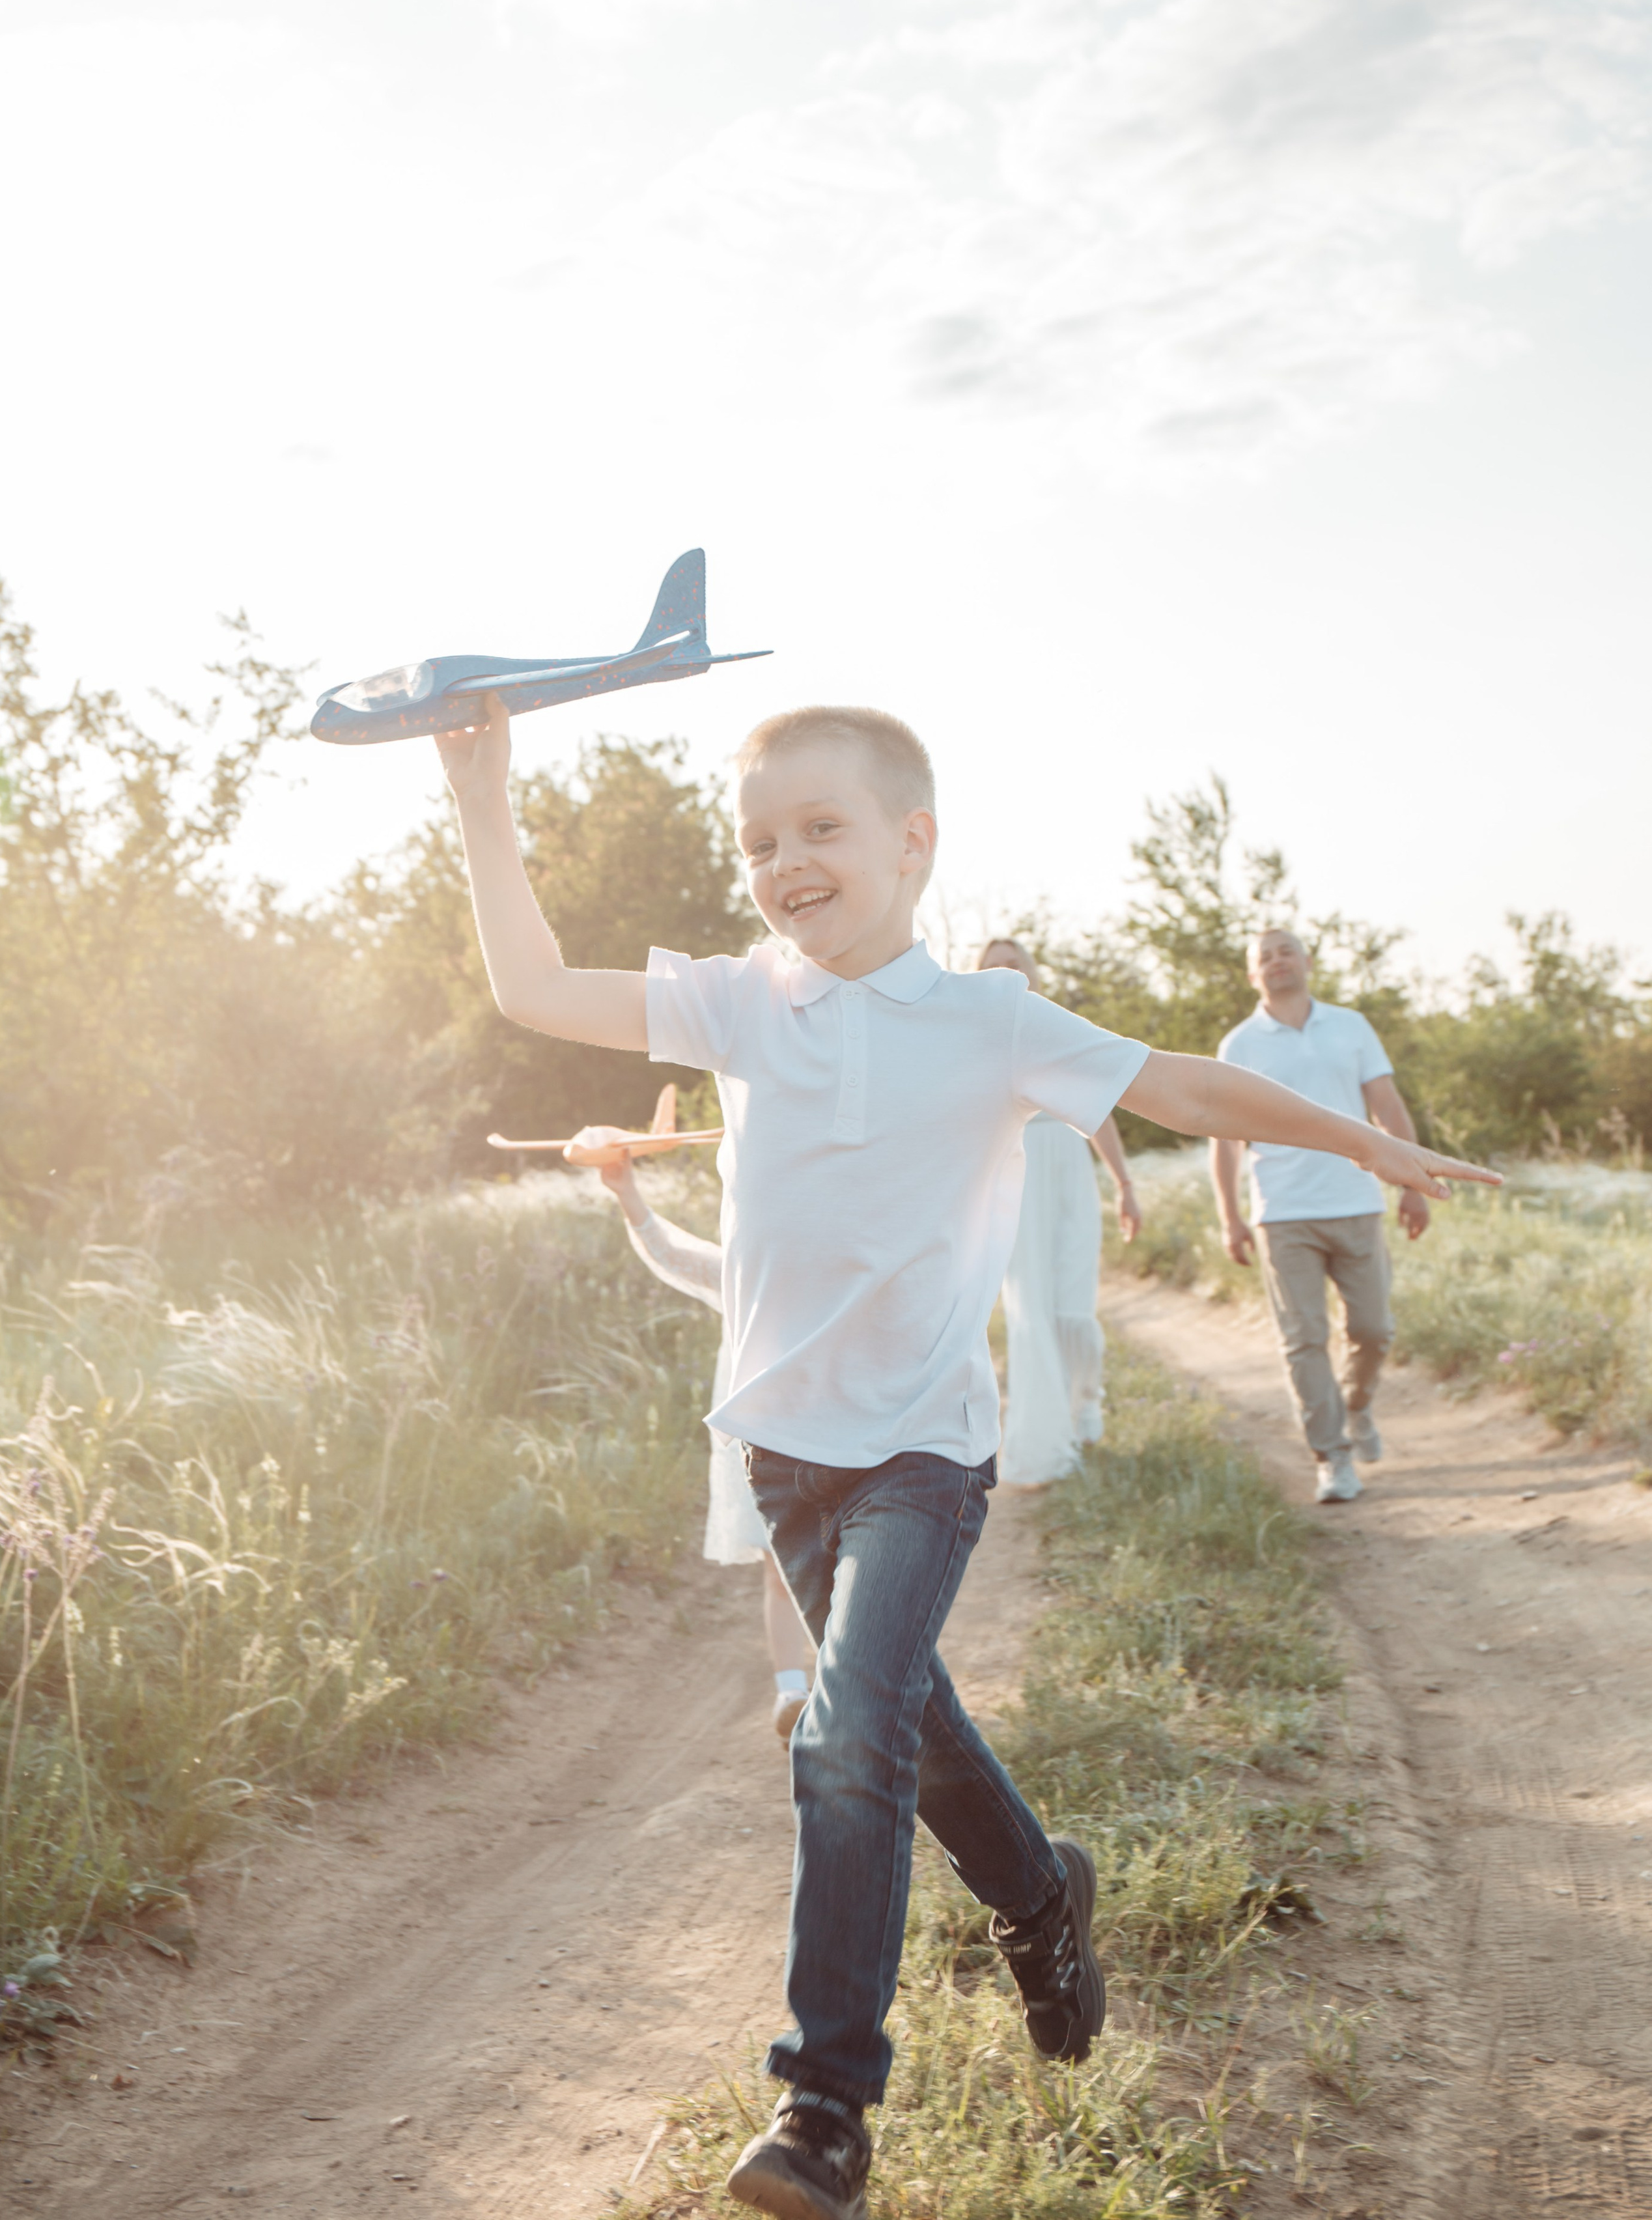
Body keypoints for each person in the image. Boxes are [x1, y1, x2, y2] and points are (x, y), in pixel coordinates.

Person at [432, 696, 1494, 2220]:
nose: (783, 863)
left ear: (912, 842)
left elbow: (1181, 1087)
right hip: (785, 1457)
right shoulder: (741, 1003)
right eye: (757, 840)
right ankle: (1039, 1895)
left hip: (922, 1450)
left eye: (819, 830)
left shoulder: (989, 1022)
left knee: (845, 1722)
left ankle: (823, 2107)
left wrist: (1371, 1143)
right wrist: (482, 796)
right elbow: (530, 985)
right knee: (909, 1732)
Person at [571, 1126, 813, 1741]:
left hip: (831, 1434)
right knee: (780, 1568)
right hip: (765, 1443)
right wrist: (627, 1190)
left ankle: (859, 1689)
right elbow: (670, 1252)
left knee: (844, 1574)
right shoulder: (735, 1272)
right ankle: (793, 1694)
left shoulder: (830, 1266)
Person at [1211, 927, 1432, 1508]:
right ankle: (1332, 1455)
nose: (1277, 961)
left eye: (1286, 951)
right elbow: (1225, 1141)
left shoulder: (1351, 1026)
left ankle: (1356, 1407)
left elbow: (1387, 1106)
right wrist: (1230, 1217)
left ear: (1306, 962)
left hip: (1358, 1201)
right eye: (1264, 956)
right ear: (1252, 974)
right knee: (1303, 1338)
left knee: (1374, 1330)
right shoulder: (1240, 1045)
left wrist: (1414, 1184)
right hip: (1284, 1212)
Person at [975, 938, 1141, 1482]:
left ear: (1033, 971)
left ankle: (1085, 1401)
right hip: (1014, 1174)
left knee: (1074, 1303)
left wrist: (1123, 1182)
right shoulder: (973, 1039)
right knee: (1030, 1309)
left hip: (1069, 1168)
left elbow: (1101, 1113)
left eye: (1015, 962)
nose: (1006, 971)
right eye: (993, 965)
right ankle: (1043, 1440)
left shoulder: (1063, 1030)